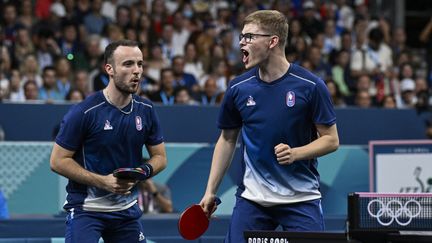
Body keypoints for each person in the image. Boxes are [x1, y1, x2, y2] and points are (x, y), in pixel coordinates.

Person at [199, 10, 339, 243]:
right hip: (253, 199)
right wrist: (210, 190)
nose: (242, 42)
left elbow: (331, 140)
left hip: (301, 198)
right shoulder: (238, 88)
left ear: (273, 41)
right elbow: (227, 139)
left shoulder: (311, 86)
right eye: (242, 36)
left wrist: (296, 153)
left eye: (250, 37)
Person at [50, 40, 167, 243]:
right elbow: (57, 161)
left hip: (126, 211)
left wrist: (141, 173)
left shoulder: (146, 110)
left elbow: (160, 157)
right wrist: (103, 181)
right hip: (87, 210)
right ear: (109, 69)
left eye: (140, 64)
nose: (137, 71)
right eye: (128, 64)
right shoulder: (83, 112)